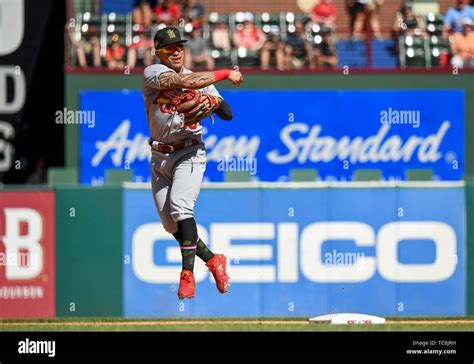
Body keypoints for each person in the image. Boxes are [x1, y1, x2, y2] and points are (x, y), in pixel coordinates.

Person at [142, 27, 243, 299]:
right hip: (159, 156)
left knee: (180, 206)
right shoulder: (152, 73)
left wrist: (211, 103)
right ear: (158, 52)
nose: (176, 51)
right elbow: (181, 83)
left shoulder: (195, 78)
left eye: (179, 47)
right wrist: (225, 74)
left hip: (189, 151)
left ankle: (187, 275)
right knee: (170, 225)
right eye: (169, 48)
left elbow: (228, 113)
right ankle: (213, 260)